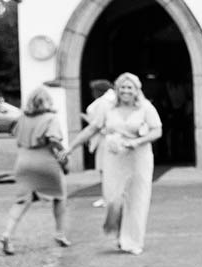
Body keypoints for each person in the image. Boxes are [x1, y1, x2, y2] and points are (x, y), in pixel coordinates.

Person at [66, 72, 159, 254]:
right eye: (122, 87)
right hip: (114, 158)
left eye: (129, 87)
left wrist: (137, 142)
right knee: (113, 198)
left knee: (136, 199)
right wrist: (71, 147)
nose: (125, 91)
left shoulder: (145, 108)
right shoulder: (108, 108)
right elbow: (92, 128)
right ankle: (119, 232)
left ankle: (133, 241)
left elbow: (157, 131)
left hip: (138, 158)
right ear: (117, 90)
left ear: (136, 90)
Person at [0, 88, 72, 254]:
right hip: (45, 161)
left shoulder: (22, 118)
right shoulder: (51, 119)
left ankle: (7, 234)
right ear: (48, 102)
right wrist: (64, 160)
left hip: (23, 161)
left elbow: (16, 138)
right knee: (59, 197)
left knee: (21, 200)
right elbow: (54, 141)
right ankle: (60, 233)